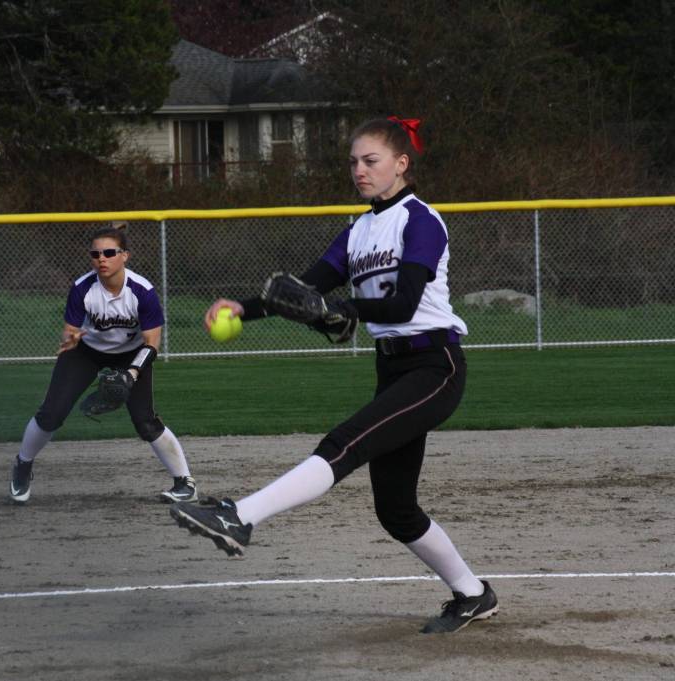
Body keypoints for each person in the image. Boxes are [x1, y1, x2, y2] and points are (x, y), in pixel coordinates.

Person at [169, 117, 499, 634]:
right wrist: (246, 308)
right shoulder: (359, 230)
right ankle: (473, 594)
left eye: (371, 161)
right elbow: (303, 293)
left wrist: (344, 307)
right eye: (353, 161)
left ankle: (240, 516)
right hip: (392, 367)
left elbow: (405, 300)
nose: (359, 170)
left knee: (345, 443)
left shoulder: (421, 221)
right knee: (396, 509)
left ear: (401, 164)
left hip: (434, 366)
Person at [9, 222, 197, 505]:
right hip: (87, 352)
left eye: (109, 253)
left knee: (145, 421)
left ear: (125, 256)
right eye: (96, 255)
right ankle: (22, 465)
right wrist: (70, 340)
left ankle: (185, 483)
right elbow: (70, 333)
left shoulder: (142, 291)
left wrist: (131, 374)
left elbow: (152, 342)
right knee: (52, 413)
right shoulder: (82, 288)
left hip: (132, 353)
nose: (102, 260)